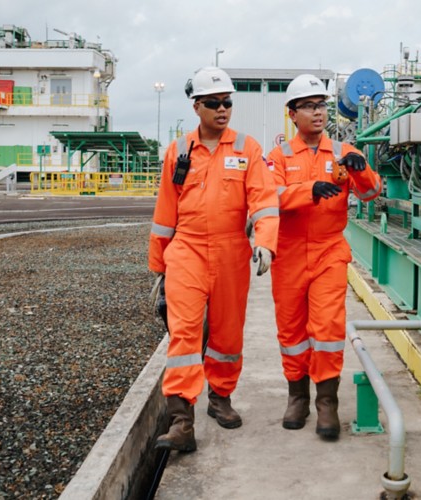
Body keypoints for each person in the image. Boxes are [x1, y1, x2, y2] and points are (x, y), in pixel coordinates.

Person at [149, 67, 279, 452]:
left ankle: (220, 397)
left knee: (225, 335)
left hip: (230, 252)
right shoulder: (178, 151)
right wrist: (159, 266)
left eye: (228, 102)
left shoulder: (247, 149)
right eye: (214, 103)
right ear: (197, 106)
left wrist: (266, 242)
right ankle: (180, 421)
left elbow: (264, 200)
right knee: (185, 335)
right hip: (186, 250)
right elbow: (164, 211)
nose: (223, 110)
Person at [266, 74, 381, 439]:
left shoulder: (345, 152)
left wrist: (362, 175)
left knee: (328, 328)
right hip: (288, 253)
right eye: (310, 106)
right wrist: (308, 190)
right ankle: (297, 396)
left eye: (322, 106)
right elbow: (271, 197)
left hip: (329, 250)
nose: (318, 113)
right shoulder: (279, 156)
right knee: (291, 330)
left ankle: (326, 403)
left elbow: (371, 193)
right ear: (293, 113)